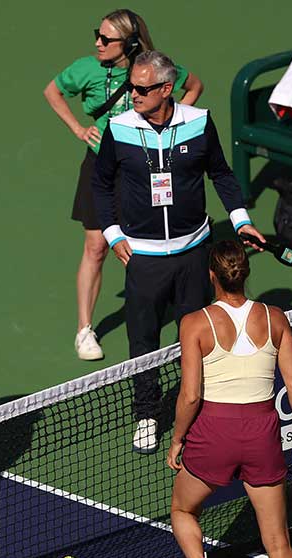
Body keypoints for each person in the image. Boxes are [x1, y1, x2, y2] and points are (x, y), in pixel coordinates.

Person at [92, 49, 265, 452]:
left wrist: (241, 219)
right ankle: (147, 413)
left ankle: (200, 404)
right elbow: (101, 185)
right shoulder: (118, 130)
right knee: (143, 340)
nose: (131, 94)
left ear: (166, 89)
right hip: (143, 257)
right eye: (130, 86)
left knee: (197, 334)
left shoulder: (199, 123)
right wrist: (115, 233)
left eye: (141, 88)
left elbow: (220, 173)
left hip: (193, 252)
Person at [166, 240, 292, 558]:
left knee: (182, 509)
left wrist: (177, 440)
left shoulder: (195, 323)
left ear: (211, 275)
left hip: (215, 432)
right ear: (244, 273)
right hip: (262, 433)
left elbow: (191, 394)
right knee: (278, 542)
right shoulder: (275, 318)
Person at [44, 9, 204, 361]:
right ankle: (84, 330)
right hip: (100, 165)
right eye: (96, 35)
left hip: (142, 166)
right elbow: (53, 91)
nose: (97, 43)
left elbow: (193, 87)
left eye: (106, 39)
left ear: (129, 43)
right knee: (96, 246)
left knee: (147, 242)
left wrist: (171, 124)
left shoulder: (149, 70)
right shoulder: (86, 68)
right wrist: (77, 128)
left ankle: (170, 311)